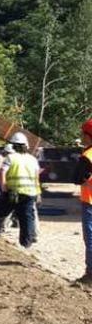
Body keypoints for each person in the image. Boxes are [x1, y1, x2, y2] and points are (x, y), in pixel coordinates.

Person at [0, 131, 41, 248]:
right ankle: (26, 242)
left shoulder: (10, 158)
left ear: (13, 145)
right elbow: (36, 177)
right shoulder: (32, 159)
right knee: (27, 217)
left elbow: (2, 172)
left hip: (13, 191)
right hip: (30, 193)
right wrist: (38, 193)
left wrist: (3, 188)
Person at [72, 119, 92, 283]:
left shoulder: (87, 156)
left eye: (83, 134)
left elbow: (76, 178)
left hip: (90, 202)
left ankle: (90, 275)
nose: (81, 137)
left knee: (91, 238)